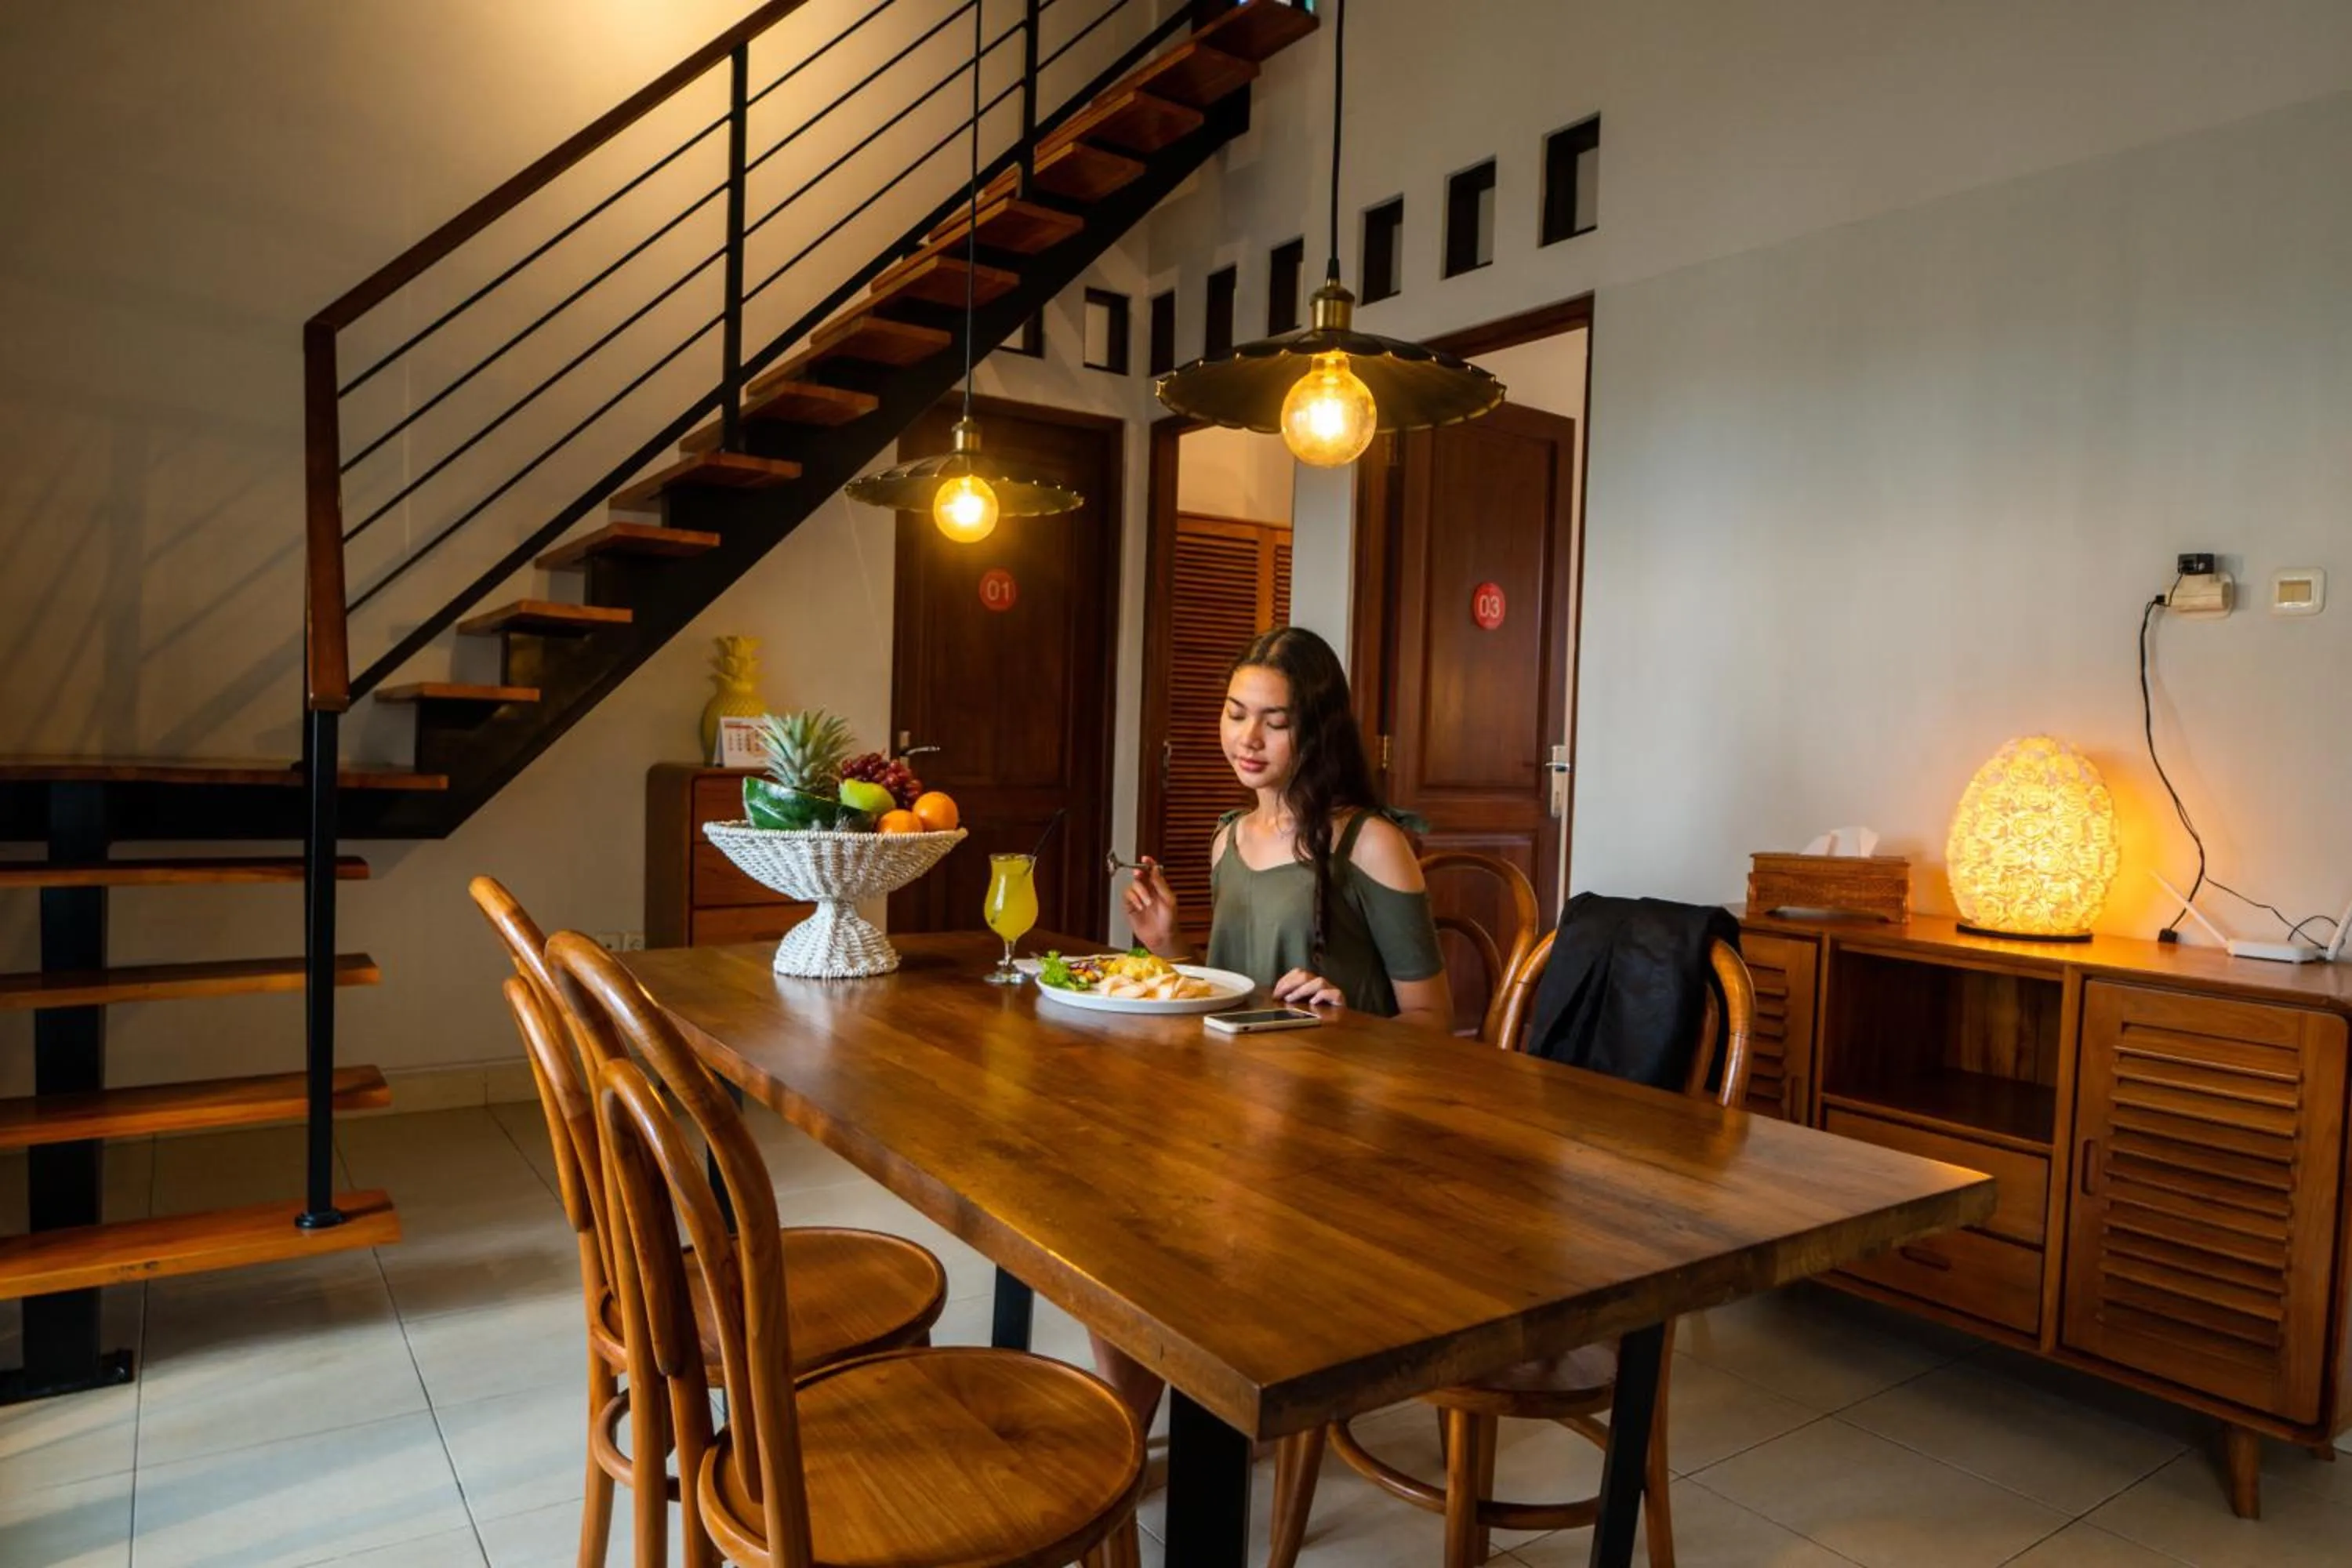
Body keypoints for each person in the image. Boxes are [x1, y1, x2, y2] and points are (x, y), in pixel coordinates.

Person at [1099, 626, 1452, 1426]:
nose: (1246, 738)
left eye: (1275, 719)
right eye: (1234, 713)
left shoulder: (1371, 842)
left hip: (1334, 1134)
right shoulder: (1229, 835)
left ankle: (1144, 1437)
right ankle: (1133, 1426)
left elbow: (1436, 1023)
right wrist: (1171, 946)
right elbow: (1235, 994)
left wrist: (1347, 1019)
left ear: (1315, 728)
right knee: (1108, 1206)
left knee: (1160, 1225)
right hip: (1235, 1114)